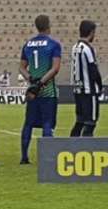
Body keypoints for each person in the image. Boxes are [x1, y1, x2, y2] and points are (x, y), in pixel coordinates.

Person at [19, 15, 61, 164]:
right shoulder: (53, 44)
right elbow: (55, 68)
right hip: (47, 90)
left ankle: (24, 157)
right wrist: (41, 83)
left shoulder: (28, 44)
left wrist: (31, 80)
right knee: (48, 123)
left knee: (28, 123)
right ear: (49, 25)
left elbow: (21, 67)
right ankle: (47, 158)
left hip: (32, 92)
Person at [70, 20, 103, 138]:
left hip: (78, 89)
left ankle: (71, 146)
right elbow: (93, 69)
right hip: (89, 91)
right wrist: (100, 85)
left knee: (80, 121)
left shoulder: (75, 47)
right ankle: (85, 149)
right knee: (91, 122)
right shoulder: (88, 48)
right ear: (92, 32)